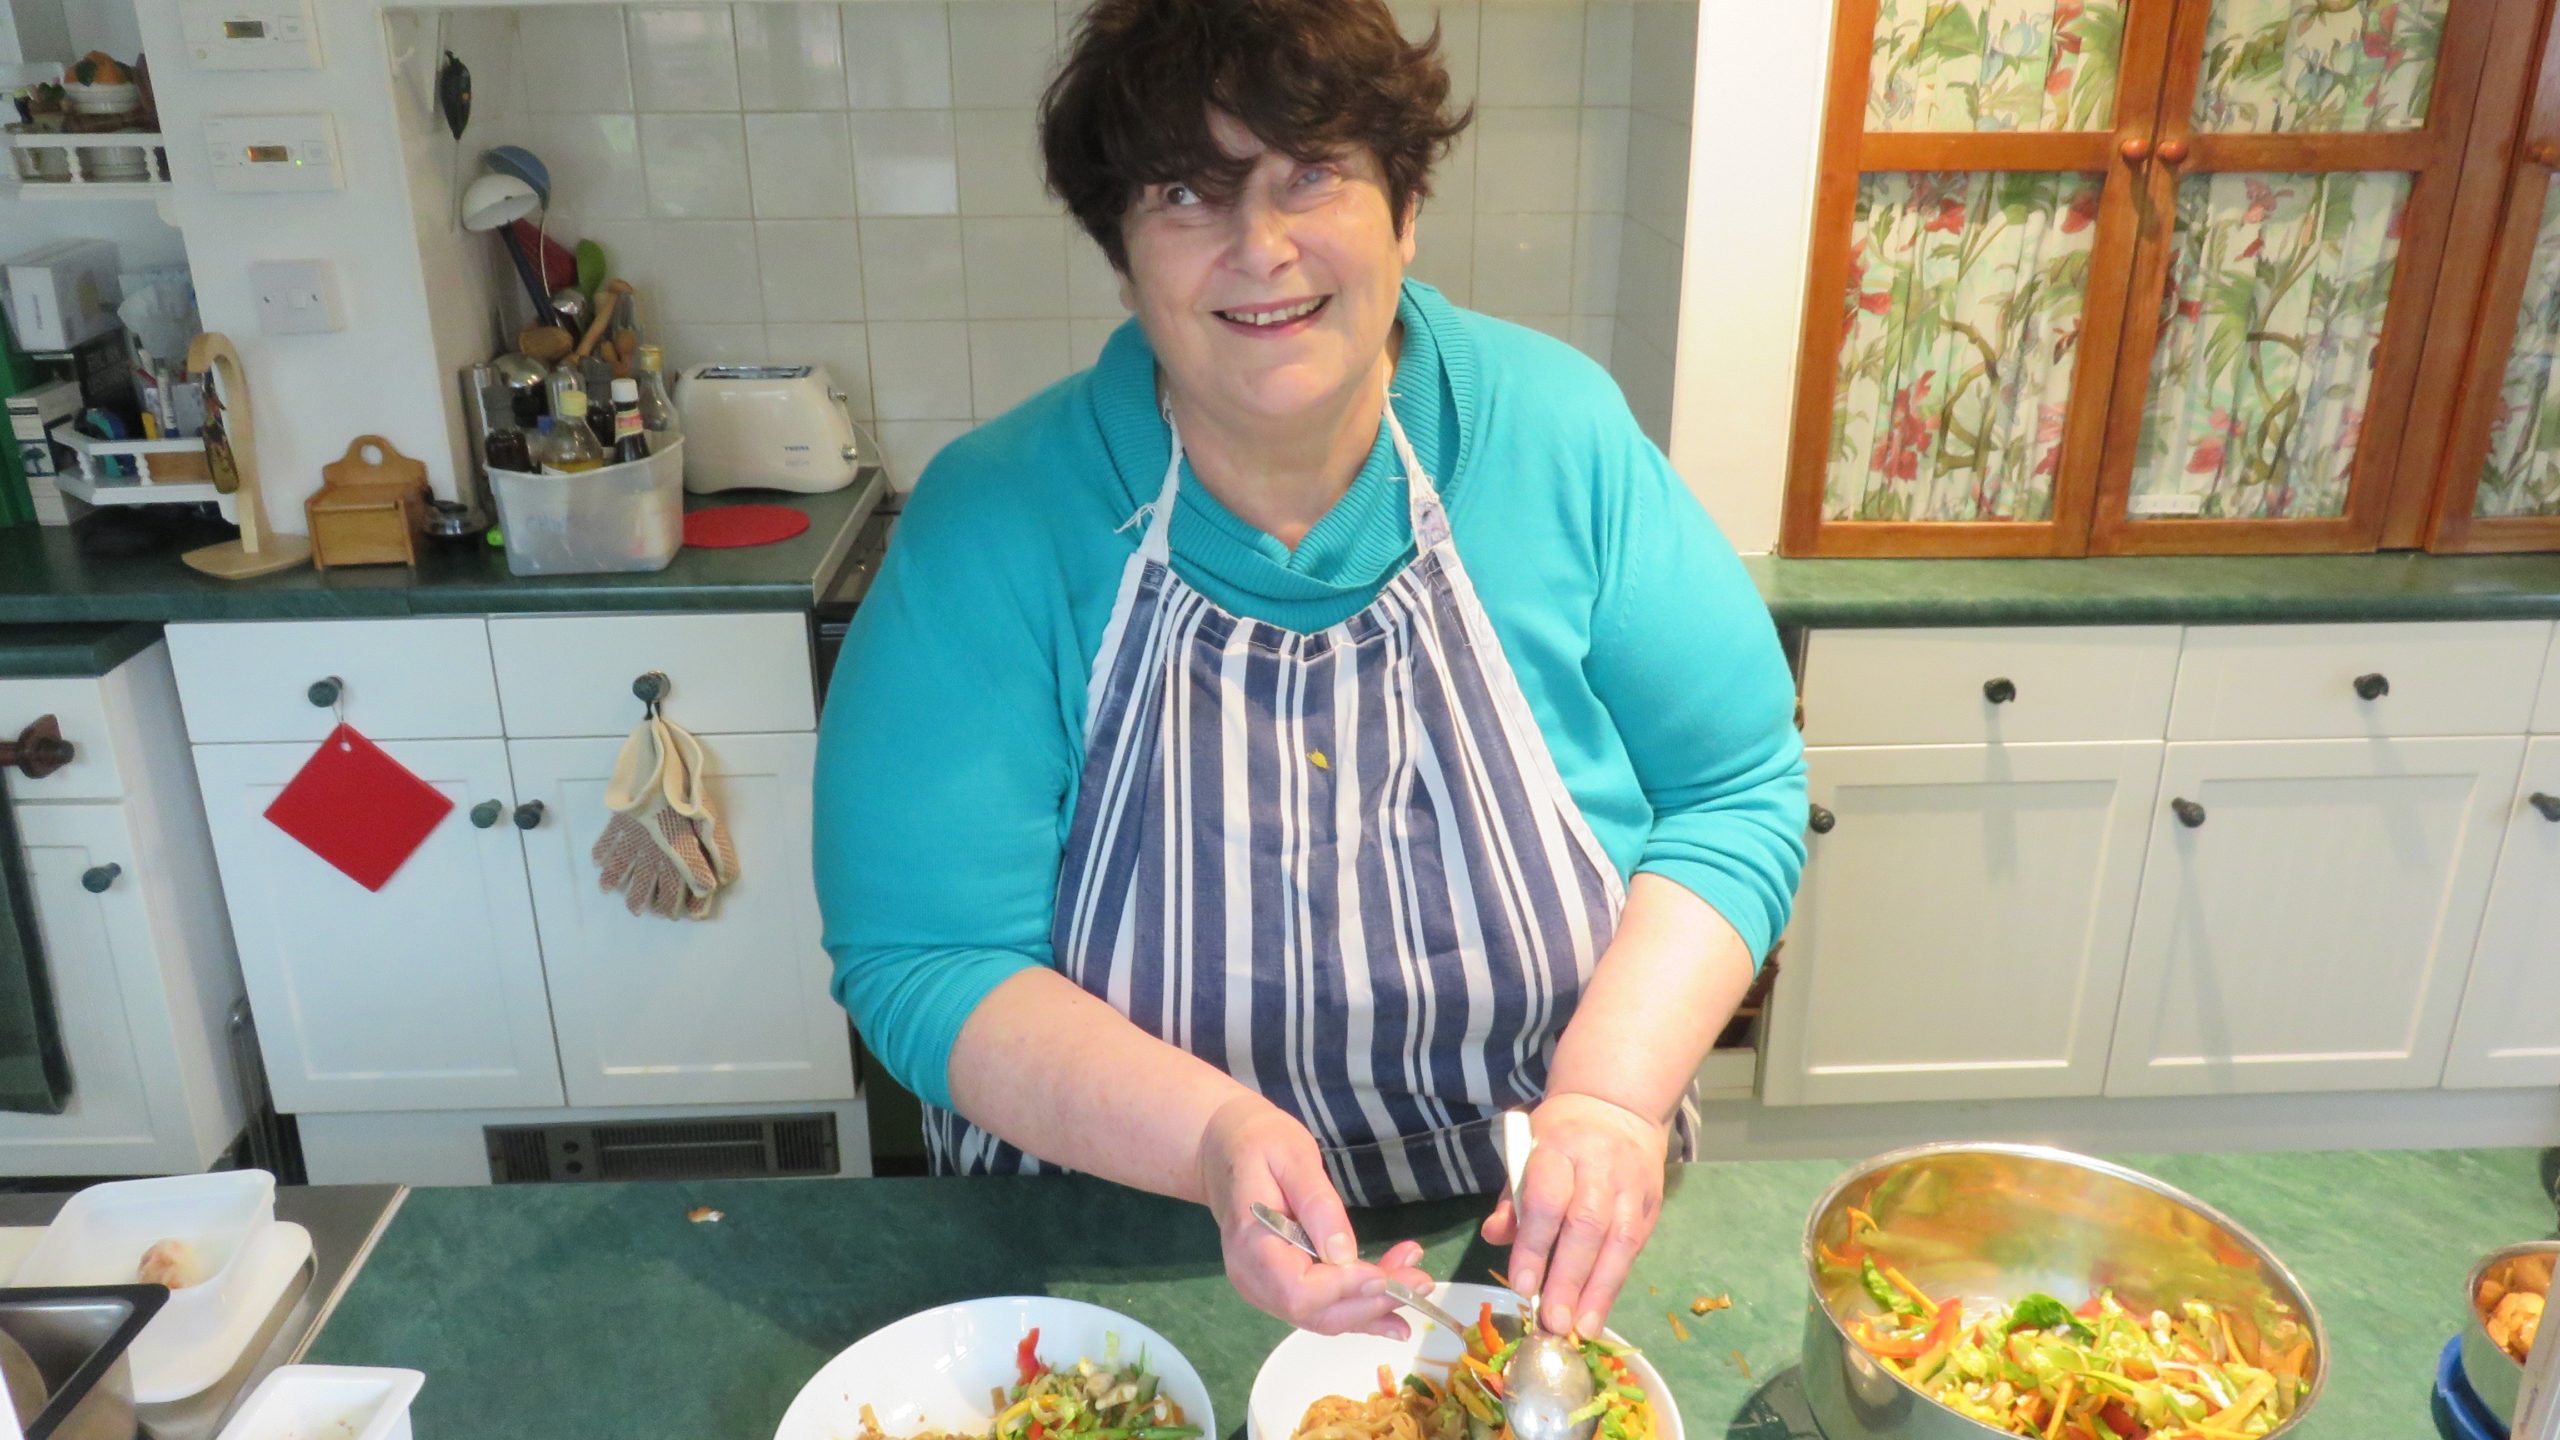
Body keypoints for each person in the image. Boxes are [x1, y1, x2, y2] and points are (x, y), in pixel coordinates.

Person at [814, 0, 1805, 1345]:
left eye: (1313, 172)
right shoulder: (998, 521)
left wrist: (1614, 1101)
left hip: (1540, 1235)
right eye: (1185, 192)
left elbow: (1734, 787)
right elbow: (922, 953)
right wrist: (1214, 1137)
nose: (1259, 249)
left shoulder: (1557, 435)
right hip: (1112, 1255)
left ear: (1405, 207)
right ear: (1122, 254)